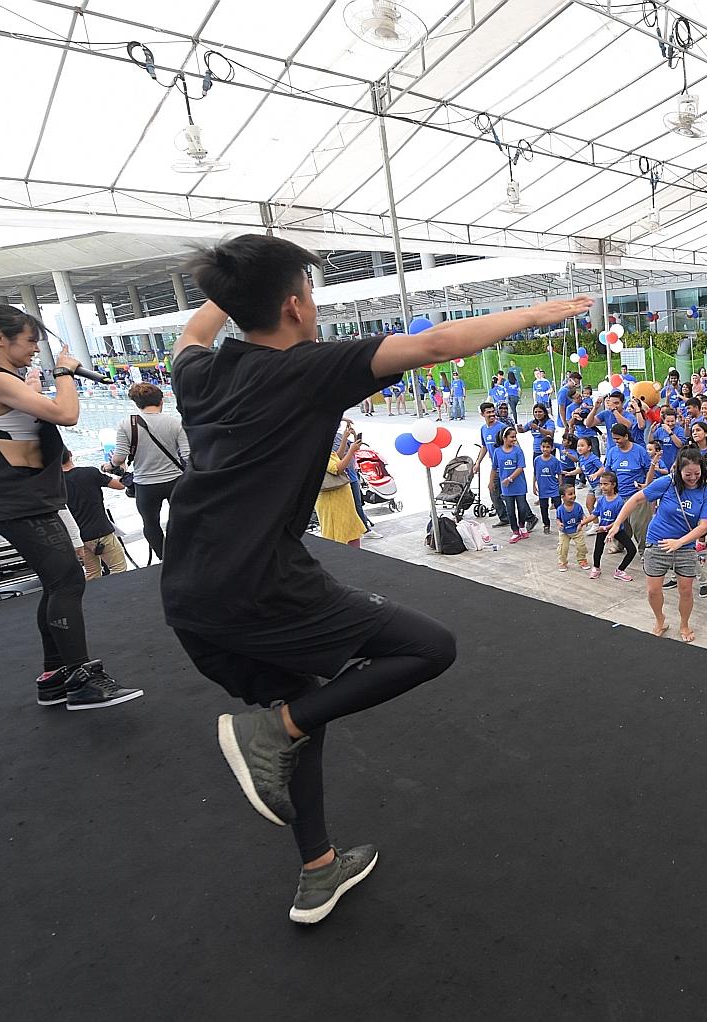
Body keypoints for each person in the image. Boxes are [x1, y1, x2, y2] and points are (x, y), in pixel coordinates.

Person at [163, 234, 589, 924]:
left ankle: (318, 868)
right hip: (261, 583)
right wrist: (535, 315)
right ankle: (271, 735)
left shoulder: (197, 374)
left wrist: (232, 289)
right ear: (298, 306)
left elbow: (191, 332)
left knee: (301, 715)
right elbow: (433, 347)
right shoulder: (305, 368)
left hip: (189, 588)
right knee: (424, 648)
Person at [0, 293, 141, 710]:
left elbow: (22, 423)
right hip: (15, 501)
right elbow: (66, 414)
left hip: (21, 498)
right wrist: (65, 374)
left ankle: (55, 676)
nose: (36, 349)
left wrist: (34, 385)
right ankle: (83, 679)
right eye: (30, 341)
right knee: (67, 581)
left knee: (57, 583)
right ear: (0, 338)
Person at [607, 448, 707, 642]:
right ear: (678, 471)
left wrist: (679, 542)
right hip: (657, 543)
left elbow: (704, 525)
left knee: (686, 590)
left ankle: (684, 624)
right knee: (653, 590)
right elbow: (637, 498)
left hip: (685, 547)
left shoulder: (705, 491)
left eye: (697, 474)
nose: (692, 478)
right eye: (687, 474)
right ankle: (660, 619)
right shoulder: (668, 483)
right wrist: (617, 524)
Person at [111, 381, 189, 561]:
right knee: (181, 519)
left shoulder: (126, 424)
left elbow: (119, 457)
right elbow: (187, 454)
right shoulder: (174, 423)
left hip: (145, 485)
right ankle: (183, 555)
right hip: (174, 481)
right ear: (161, 401)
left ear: (137, 404)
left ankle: (164, 559)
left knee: (150, 523)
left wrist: (110, 465)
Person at [61, 449, 129, 580]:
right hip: (101, 532)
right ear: (70, 454)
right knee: (119, 568)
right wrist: (122, 467)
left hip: (79, 538)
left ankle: (95, 599)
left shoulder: (55, 483)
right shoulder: (90, 473)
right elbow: (121, 485)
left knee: (92, 574)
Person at [316, 427, 366, 547]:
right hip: (331, 500)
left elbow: (335, 457)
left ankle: (354, 555)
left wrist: (344, 439)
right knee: (338, 531)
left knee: (349, 529)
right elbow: (336, 468)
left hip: (340, 499)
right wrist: (351, 451)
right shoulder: (315, 450)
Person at [587, 472, 637, 580]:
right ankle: (596, 568)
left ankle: (620, 570)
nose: (602, 487)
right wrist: (583, 522)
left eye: (605, 484)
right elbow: (595, 513)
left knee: (632, 549)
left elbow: (619, 520)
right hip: (602, 529)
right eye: (601, 484)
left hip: (616, 530)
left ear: (613, 485)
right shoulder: (601, 500)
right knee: (598, 550)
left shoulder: (619, 501)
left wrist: (606, 528)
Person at [490, 425, 533, 541]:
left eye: (515, 437)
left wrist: (510, 479)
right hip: (506, 488)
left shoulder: (518, 450)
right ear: (504, 438)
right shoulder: (497, 452)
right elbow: (494, 468)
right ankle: (515, 531)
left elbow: (520, 467)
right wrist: (491, 482)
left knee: (522, 508)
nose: (514, 439)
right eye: (512, 437)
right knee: (510, 510)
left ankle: (522, 526)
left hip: (519, 485)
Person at [552, 482, 590, 571]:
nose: (573, 496)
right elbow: (558, 519)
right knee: (562, 548)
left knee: (581, 547)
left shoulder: (578, 507)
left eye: (574, 493)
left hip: (577, 531)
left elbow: (582, 516)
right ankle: (562, 562)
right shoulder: (560, 509)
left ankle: (582, 560)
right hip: (564, 532)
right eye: (570, 494)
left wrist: (584, 521)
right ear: (563, 497)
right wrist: (559, 524)